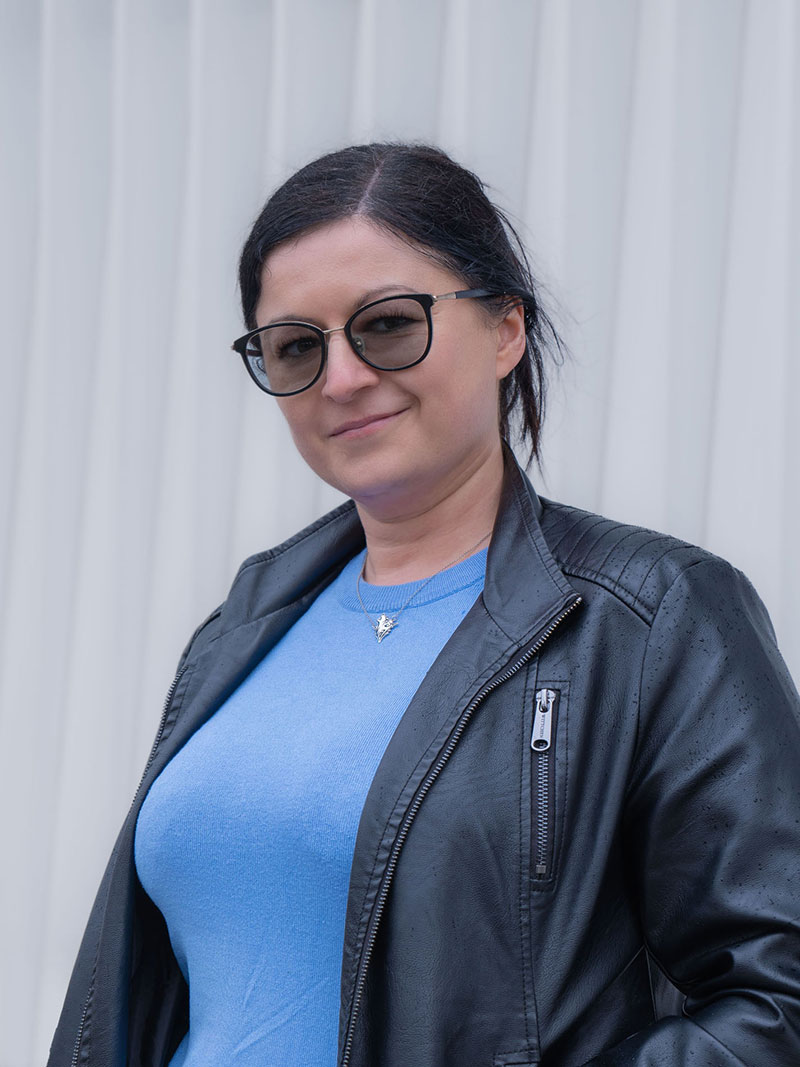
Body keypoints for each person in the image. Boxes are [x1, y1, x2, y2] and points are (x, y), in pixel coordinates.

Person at [49, 143, 800, 1067]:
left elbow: (776, 999)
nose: (342, 378)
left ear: (506, 328)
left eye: (389, 324)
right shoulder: (239, 630)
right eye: (297, 346)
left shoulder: (650, 617)